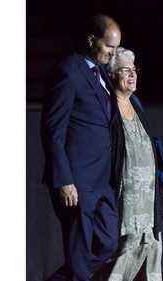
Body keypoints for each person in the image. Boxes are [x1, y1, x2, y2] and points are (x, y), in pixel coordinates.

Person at [40, 14, 121, 281]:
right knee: (78, 254)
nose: (113, 53)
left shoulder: (98, 73)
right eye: (109, 47)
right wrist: (63, 179)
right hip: (76, 182)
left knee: (108, 243)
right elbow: (53, 130)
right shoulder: (68, 71)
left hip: (101, 180)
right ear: (91, 40)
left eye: (116, 48)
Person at [106, 47, 163, 280]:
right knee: (122, 255)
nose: (132, 75)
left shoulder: (136, 103)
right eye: (125, 70)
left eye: (134, 69)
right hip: (124, 201)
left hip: (148, 199)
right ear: (111, 75)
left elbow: (146, 146)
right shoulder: (107, 106)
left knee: (150, 250)